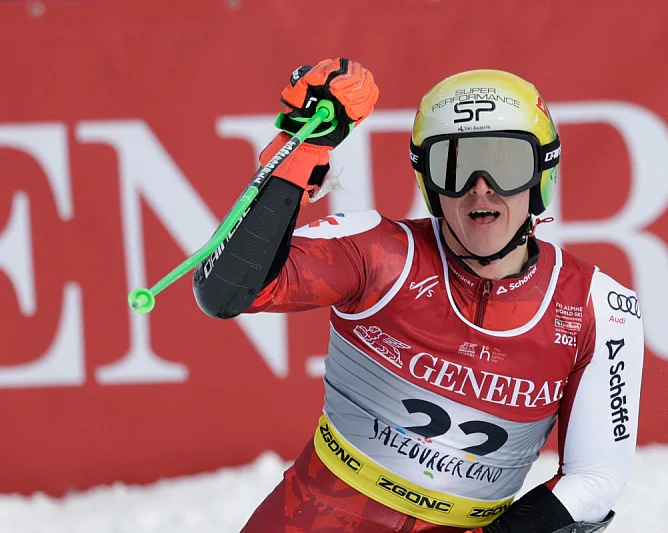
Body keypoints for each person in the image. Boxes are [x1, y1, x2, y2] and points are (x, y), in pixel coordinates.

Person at [193, 58, 644, 533]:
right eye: (455, 165)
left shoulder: (598, 308)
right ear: (429, 183)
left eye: (506, 164)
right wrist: (298, 152)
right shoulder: (378, 252)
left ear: (540, 176)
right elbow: (225, 291)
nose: (481, 189)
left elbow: (595, 479)